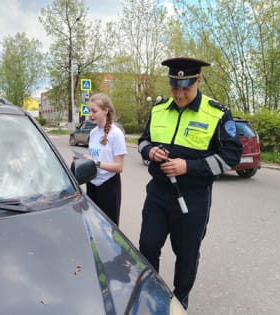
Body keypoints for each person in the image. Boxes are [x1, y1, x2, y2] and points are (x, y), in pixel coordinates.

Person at [138, 57, 242, 309]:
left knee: (186, 255)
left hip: (193, 198)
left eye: (186, 87)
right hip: (158, 194)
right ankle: (151, 293)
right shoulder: (159, 109)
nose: (180, 93)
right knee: (147, 245)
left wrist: (189, 167)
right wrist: (150, 151)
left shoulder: (217, 113)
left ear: (198, 80)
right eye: (175, 87)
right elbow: (142, 141)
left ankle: (179, 300)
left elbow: (231, 157)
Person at [82, 93, 127, 226]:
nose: (91, 114)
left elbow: (119, 167)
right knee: (93, 226)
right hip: (92, 184)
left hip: (108, 186)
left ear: (105, 111)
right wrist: (84, 161)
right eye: (90, 110)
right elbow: (94, 157)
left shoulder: (116, 134)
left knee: (108, 228)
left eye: (94, 111)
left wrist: (95, 162)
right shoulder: (93, 132)